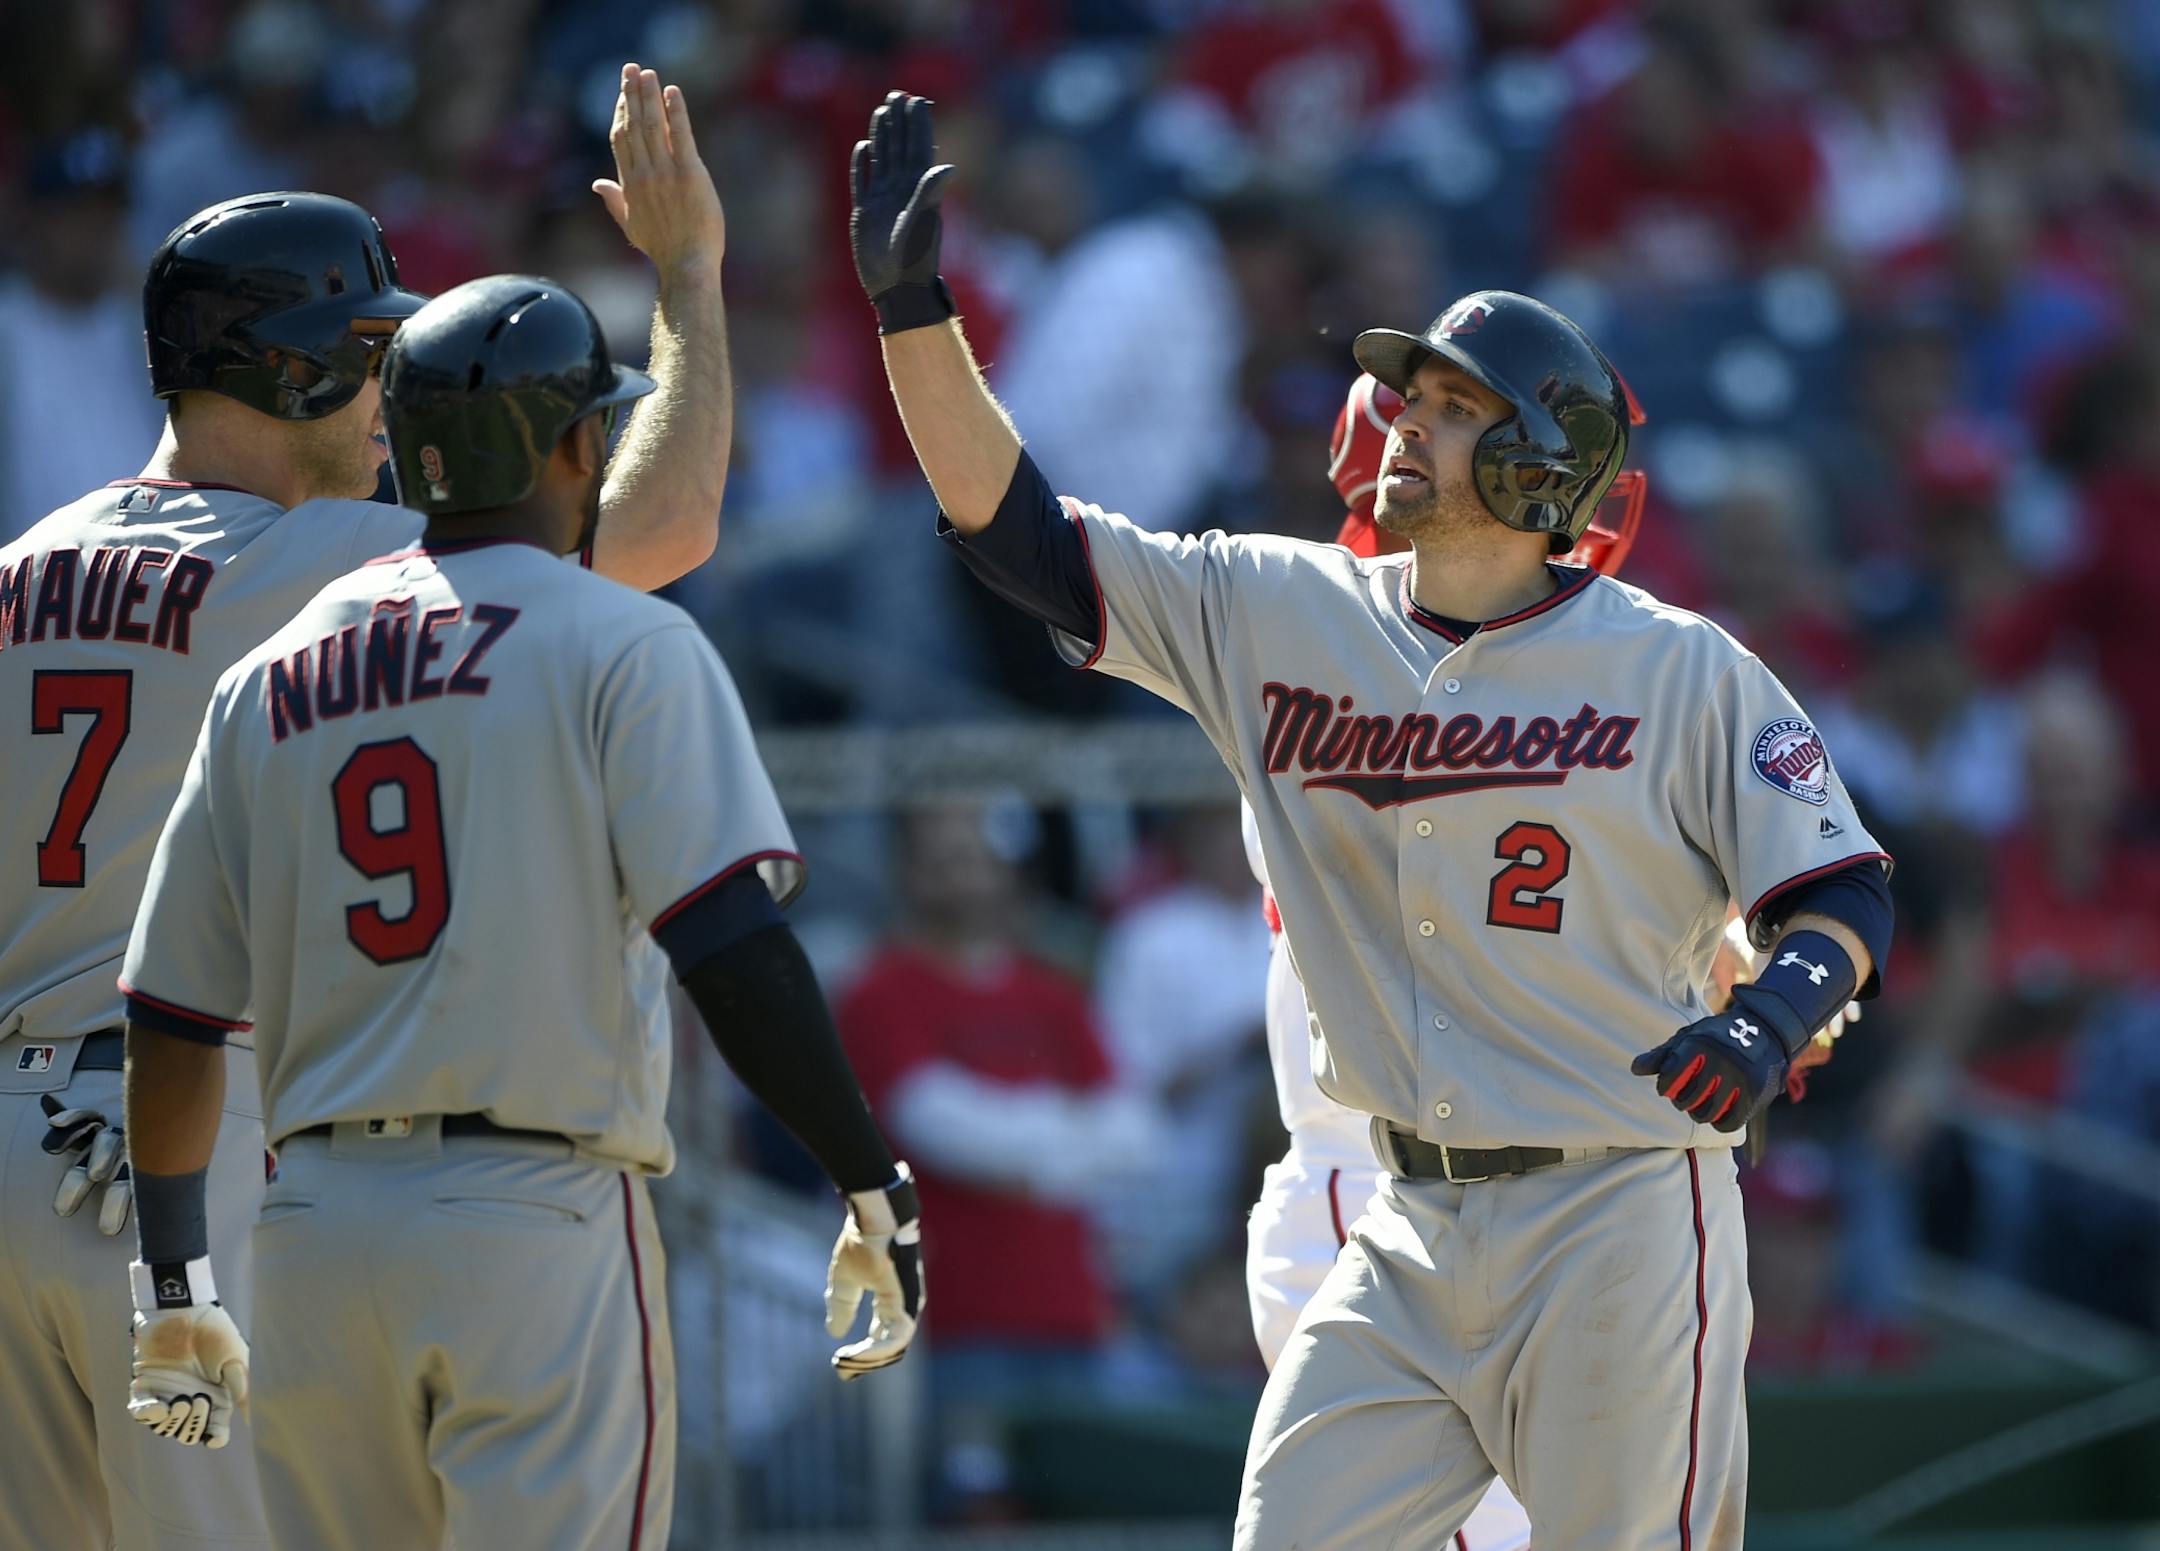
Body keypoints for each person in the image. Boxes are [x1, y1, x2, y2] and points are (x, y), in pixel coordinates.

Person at [849, 92, 1894, 1549]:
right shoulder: (1280, 607)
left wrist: (1771, 1017)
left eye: (1457, 408)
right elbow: (1019, 536)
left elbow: (1842, 889)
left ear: (1542, 465)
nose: (1408, 419)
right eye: (1415, 396)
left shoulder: (1681, 663)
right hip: (1397, 1222)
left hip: (1614, 1206)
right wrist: (915, 318)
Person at [0, 65, 726, 1551]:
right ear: (297, 375)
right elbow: (665, 524)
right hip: (172, 1160)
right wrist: (693, 284)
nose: (390, 388)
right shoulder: (318, 562)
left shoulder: (17, 568)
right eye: (372, 354)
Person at [116, 269, 925, 1551]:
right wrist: (867, 1181)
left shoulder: (265, 679)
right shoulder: (620, 638)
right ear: (577, 444)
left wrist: (174, 1285)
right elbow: (727, 940)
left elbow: (167, 1015)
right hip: (531, 1218)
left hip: (313, 1234)